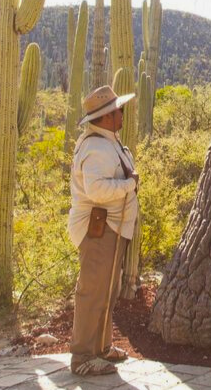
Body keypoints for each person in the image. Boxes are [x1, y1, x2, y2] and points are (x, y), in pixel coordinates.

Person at [67, 85, 138, 376]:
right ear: (107, 116)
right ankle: (83, 356)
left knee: (107, 289)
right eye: (118, 110)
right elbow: (96, 191)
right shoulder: (96, 147)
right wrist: (129, 185)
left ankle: (101, 347)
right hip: (99, 230)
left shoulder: (106, 142)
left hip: (109, 228)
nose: (122, 113)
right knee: (93, 291)